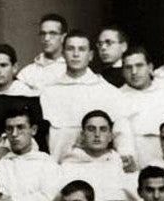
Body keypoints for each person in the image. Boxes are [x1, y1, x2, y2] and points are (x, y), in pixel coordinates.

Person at [40, 30, 134, 162]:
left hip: (98, 168)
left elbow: (121, 133)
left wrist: (126, 155)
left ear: (90, 55)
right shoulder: (49, 92)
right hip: (59, 167)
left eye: (82, 49)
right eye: (70, 49)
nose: (76, 54)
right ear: (63, 54)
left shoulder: (108, 92)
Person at [116, 47, 164, 167]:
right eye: (128, 67)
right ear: (122, 71)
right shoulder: (115, 98)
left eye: (139, 66)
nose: (134, 72)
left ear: (150, 67)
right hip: (129, 167)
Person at [58, 110, 134, 201]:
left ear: (110, 137)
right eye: (91, 129)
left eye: (103, 129)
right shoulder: (67, 167)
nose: (97, 134)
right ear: (83, 135)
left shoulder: (120, 165)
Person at [16, 13, 68, 90]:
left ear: (63, 37)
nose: (46, 38)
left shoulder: (73, 69)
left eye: (52, 33)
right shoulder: (27, 73)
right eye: (43, 34)